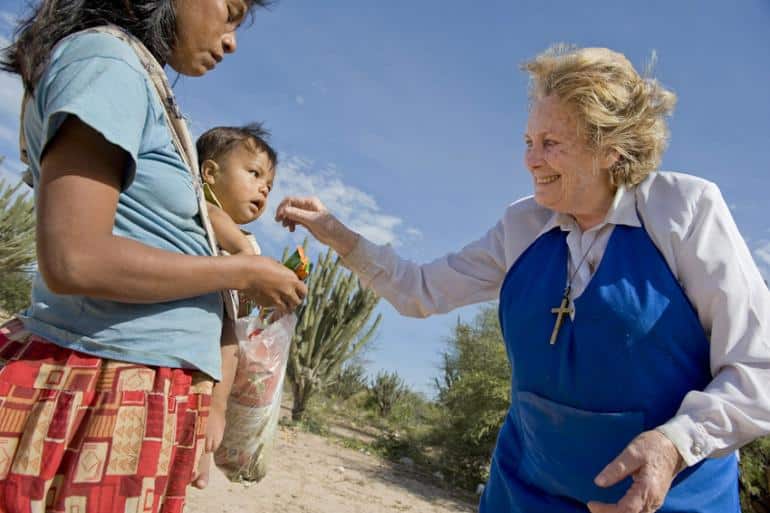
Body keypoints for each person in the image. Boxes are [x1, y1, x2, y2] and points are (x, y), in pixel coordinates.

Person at [276, 46, 770, 513]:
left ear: (611, 149)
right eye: (529, 142)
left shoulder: (683, 211)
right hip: (527, 490)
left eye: (551, 144)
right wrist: (338, 235)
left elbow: (757, 366)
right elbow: (420, 291)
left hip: (665, 498)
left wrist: (675, 442)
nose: (530, 160)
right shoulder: (522, 226)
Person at [0, 1, 306, 512]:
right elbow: (75, 257)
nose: (231, 40)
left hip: (138, 387)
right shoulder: (107, 62)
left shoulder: (133, 73)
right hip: (98, 384)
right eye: (229, 11)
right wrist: (241, 271)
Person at [192, 122, 278, 488]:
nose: (263, 188)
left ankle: (202, 455)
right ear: (210, 173)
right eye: (254, 173)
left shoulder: (244, 240)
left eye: (269, 186)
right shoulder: (196, 208)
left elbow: (236, 320)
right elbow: (210, 216)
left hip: (210, 354)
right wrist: (245, 256)